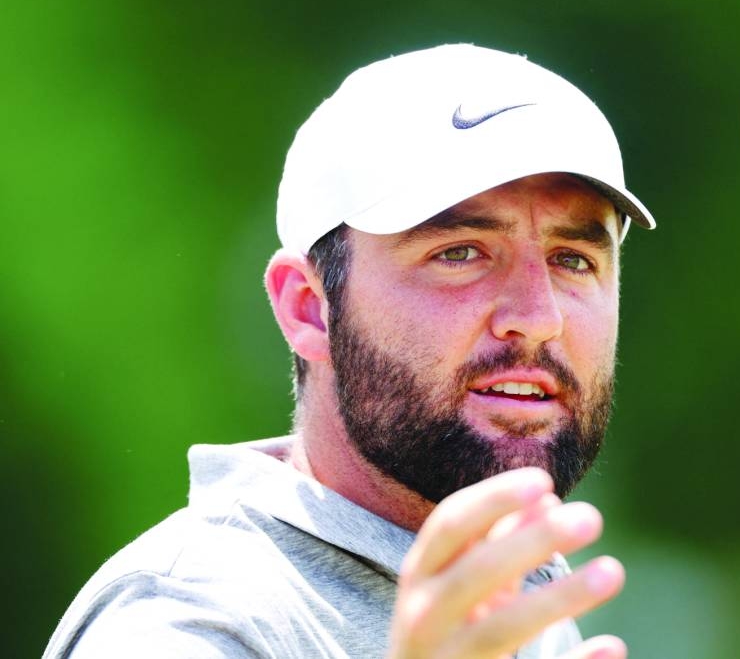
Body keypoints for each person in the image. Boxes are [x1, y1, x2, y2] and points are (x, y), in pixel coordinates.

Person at [44, 44, 655, 659]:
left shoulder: (517, 594)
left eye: (573, 260)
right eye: (460, 253)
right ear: (309, 308)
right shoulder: (186, 622)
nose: (539, 319)